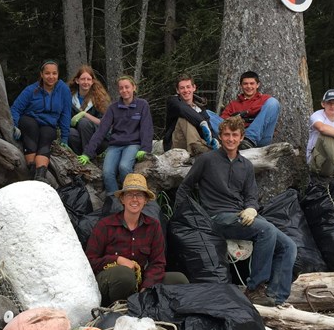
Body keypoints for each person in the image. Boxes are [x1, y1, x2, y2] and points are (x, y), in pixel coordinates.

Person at [176, 116, 297, 307]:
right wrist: (182, 215)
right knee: (266, 230)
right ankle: (254, 288)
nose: (230, 139)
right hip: (217, 216)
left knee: (289, 245)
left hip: (241, 215)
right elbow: (185, 187)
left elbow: (251, 196)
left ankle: (276, 297)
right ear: (221, 137)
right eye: (226, 135)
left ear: (241, 138)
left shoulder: (246, 165)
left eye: (234, 135)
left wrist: (251, 208)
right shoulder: (207, 160)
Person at [86, 173, 188, 305]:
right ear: (122, 199)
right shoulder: (105, 225)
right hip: (110, 282)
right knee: (125, 275)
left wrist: (147, 287)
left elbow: (157, 263)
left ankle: (162, 313)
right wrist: (117, 260)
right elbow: (90, 261)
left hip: (139, 281)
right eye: (130, 194)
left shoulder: (153, 226)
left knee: (179, 279)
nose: (135, 199)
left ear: (145, 200)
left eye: (139, 195)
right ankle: (119, 311)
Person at [78, 76, 154, 195]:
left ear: (134, 87)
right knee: (107, 172)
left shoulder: (142, 105)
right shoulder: (113, 108)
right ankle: (114, 202)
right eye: (121, 88)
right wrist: (87, 153)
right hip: (115, 145)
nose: (124, 90)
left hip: (133, 144)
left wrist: (145, 149)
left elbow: (147, 128)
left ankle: (130, 196)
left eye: (127, 87)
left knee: (123, 167)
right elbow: (101, 131)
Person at [10, 60, 71, 182]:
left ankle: (40, 175)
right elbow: (15, 109)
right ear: (42, 74)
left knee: (46, 135)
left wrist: (64, 138)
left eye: (54, 73)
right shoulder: (31, 90)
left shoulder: (63, 90)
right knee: (31, 128)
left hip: (48, 124)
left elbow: (66, 114)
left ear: (58, 75)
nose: (51, 77)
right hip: (29, 120)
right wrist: (15, 125)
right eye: (47, 73)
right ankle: (32, 169)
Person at [207, 71, 280, 149]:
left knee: (273, 102)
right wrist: (236, 120)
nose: (249, 86)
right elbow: (223, 122)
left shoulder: (265, 99)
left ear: (257, 85)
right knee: (207, 114)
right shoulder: (233, 104)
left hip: (260, 138)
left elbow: (271, 109)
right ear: (240, 85)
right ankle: (239, 141)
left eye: (252, 83)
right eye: (245, 84)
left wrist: (246, 113)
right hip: (237, 136)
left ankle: (249, 140)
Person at [163, 74, 219, 155]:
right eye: (182, 88)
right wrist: (201, 123)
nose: (186, 90)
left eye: (188, 87)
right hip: (176, 143)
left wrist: (215, 140)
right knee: (184, 117)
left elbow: (209, 129)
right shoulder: (173, 102)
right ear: (177, 90)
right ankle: (196, 147)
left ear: (194, 88)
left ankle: (201, 148)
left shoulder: (200, 108)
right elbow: (182, 109)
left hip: (198, 140)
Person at [67, 65, 111, 155]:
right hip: (78, 138)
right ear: (77, 80)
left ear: (92, 81)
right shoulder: (69, 98)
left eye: (88, 79)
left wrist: (85, 114)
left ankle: (88, 155)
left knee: (84, 122)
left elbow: (105, 122)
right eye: (83, 79)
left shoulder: (100, 99)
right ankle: (80, 159)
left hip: (98, 139)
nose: (85, 82)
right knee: (70, 133)